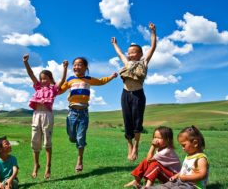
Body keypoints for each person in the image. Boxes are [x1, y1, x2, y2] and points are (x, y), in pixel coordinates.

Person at [59, 57, 118, 172]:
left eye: (80, 64)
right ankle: (74, 139)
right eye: (75, 65)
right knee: (72, 137)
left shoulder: (88, 79)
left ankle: (80, 160)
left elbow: (101, 81)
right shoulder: (70, 79)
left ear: (86, 67)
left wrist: (111, 76)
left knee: (80, 138)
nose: (77, 67)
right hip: (72, 112)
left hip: (84, 113)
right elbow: (60, 90)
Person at [111, 22, 157, 161]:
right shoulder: (127, 63)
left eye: (133, 52)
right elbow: (119, 53)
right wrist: (115, 44)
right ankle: (129, 145)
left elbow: (153, 47)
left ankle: (136, 145)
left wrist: (153, 32)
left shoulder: (143, 62)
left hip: (138, 94)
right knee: (127, 121)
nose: (130, 54)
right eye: (129, 52)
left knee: (137, 122)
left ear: (140, 53)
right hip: (125, 95)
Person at [23, 54, 68, 179]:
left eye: (46, 78)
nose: (43, 81)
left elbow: (63, 80)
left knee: (47, 142)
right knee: (34, 141)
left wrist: (65, 68)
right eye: (41, 78)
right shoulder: (37, 87)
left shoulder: (53, 89)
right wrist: (26, 62)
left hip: (47, 116)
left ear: (50, 79)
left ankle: (48, 166)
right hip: (36, 115)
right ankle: (36, 165)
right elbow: (31, 74)